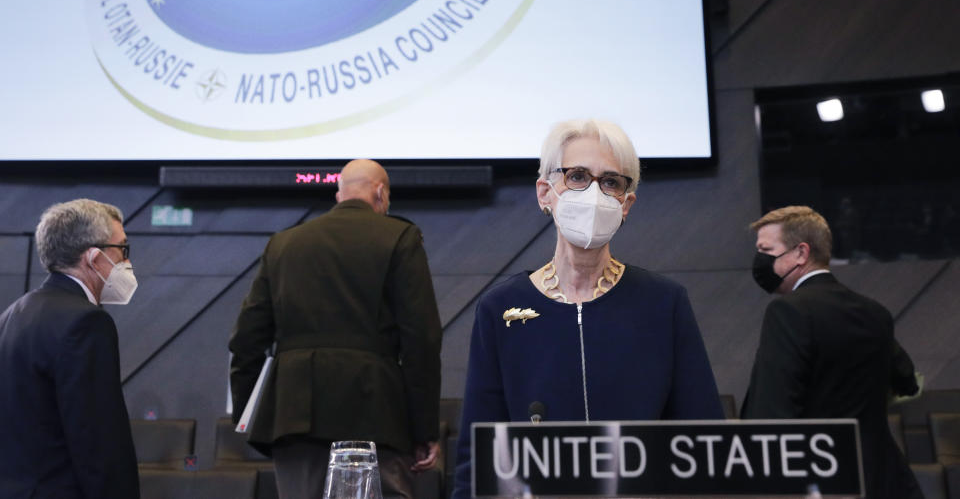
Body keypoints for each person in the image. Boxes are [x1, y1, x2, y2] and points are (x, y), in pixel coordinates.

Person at [451, 119, 724, 498]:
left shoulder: (663, 303)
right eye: (577, 176)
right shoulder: (500, 308)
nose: (594, 193)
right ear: (545, 193)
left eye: (611, 181)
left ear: (626, 204)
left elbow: (704, 440)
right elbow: (477, 453)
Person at [229, 159, 442, 499]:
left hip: (294, 418)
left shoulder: (283, 244)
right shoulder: (400, 238)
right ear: (381, 192)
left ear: (338, 193)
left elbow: (245, 341)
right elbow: (422, 340)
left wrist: (251, 416)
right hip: (377, 416)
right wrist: (424, 430)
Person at [741, 205, 922, 499]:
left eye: (766, 249)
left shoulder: (789, 311)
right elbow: (907, 381)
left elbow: (771, 411)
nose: (759, 260)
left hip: (820, 480)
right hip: (883, 479)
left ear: (801, 253)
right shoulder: (875, 312)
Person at [0, 198, 140, 499]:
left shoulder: (12, 314)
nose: (126, 262)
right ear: (94, 258)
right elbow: (99, 441)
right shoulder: (87, 323)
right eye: (122, 249)